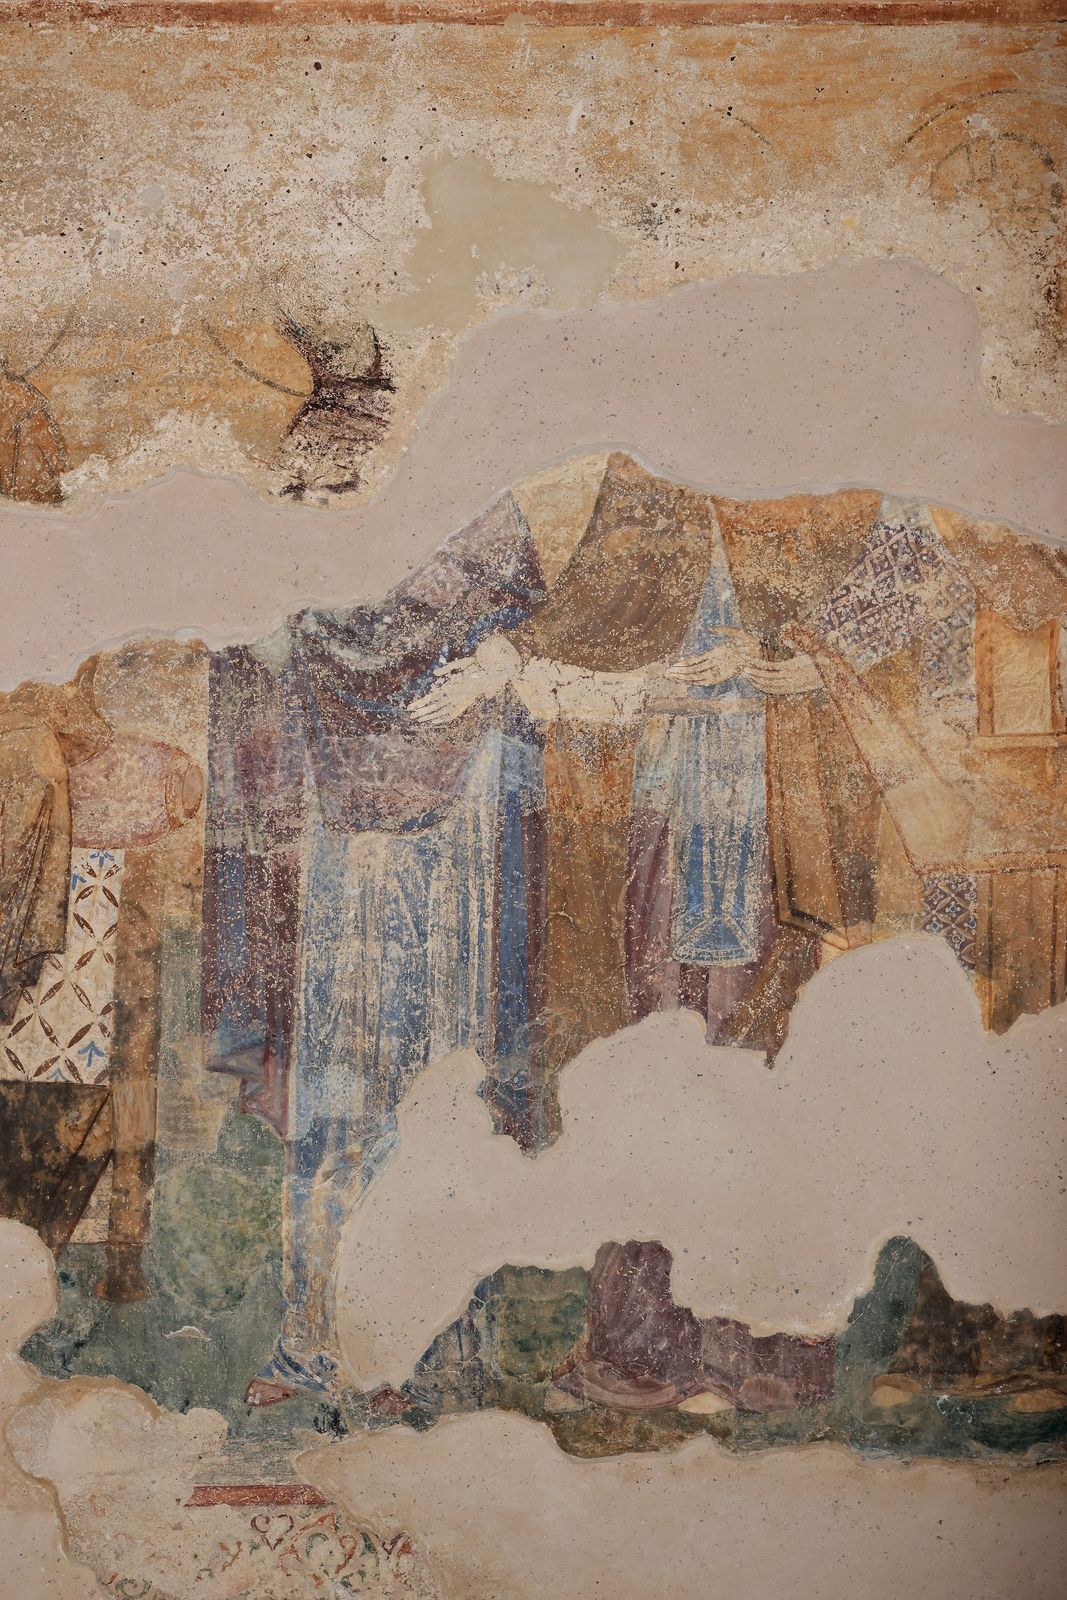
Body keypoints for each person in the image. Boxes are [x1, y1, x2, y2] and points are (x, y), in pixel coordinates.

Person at [202, 452, 1067, 1405]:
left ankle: (761, 1354)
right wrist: (523, 665)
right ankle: (648, 1345)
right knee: (659, 1065)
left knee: (767, 1061)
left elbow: (911, 590)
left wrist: (789, 666)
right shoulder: (650, 494)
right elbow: (593, 626)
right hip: (664, 821)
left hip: (787, 833)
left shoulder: (836, 504)